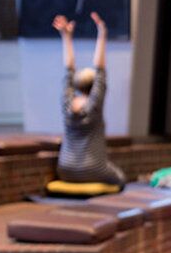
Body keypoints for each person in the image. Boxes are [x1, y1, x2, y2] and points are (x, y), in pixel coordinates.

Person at [53, 12, 126, 187]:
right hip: (94, 168)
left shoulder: (67, 104)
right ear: (94, 87)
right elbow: (100, 70)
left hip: (65, 168)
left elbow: (68, 70)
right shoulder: (94, 105)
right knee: (121, 179)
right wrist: (102, 33)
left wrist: (66, 37)